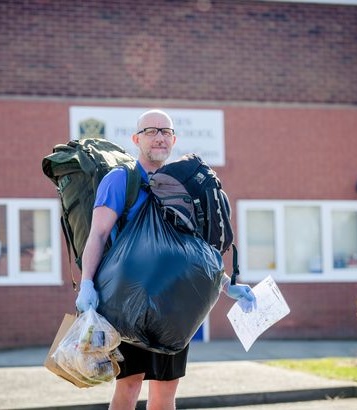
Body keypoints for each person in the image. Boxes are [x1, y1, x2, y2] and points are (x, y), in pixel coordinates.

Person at [75, 109, 255, 410]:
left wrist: (227, 285)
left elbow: (191, 255)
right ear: (136, 139)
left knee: (166, 391)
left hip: (175, 307)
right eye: (151, 131)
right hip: (128, 304)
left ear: (174, 139)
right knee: (128, 387)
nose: (159, 137)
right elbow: (98, 234)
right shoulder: (121, 179)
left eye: (166, 132)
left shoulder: (181, 187)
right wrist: (86, 284)